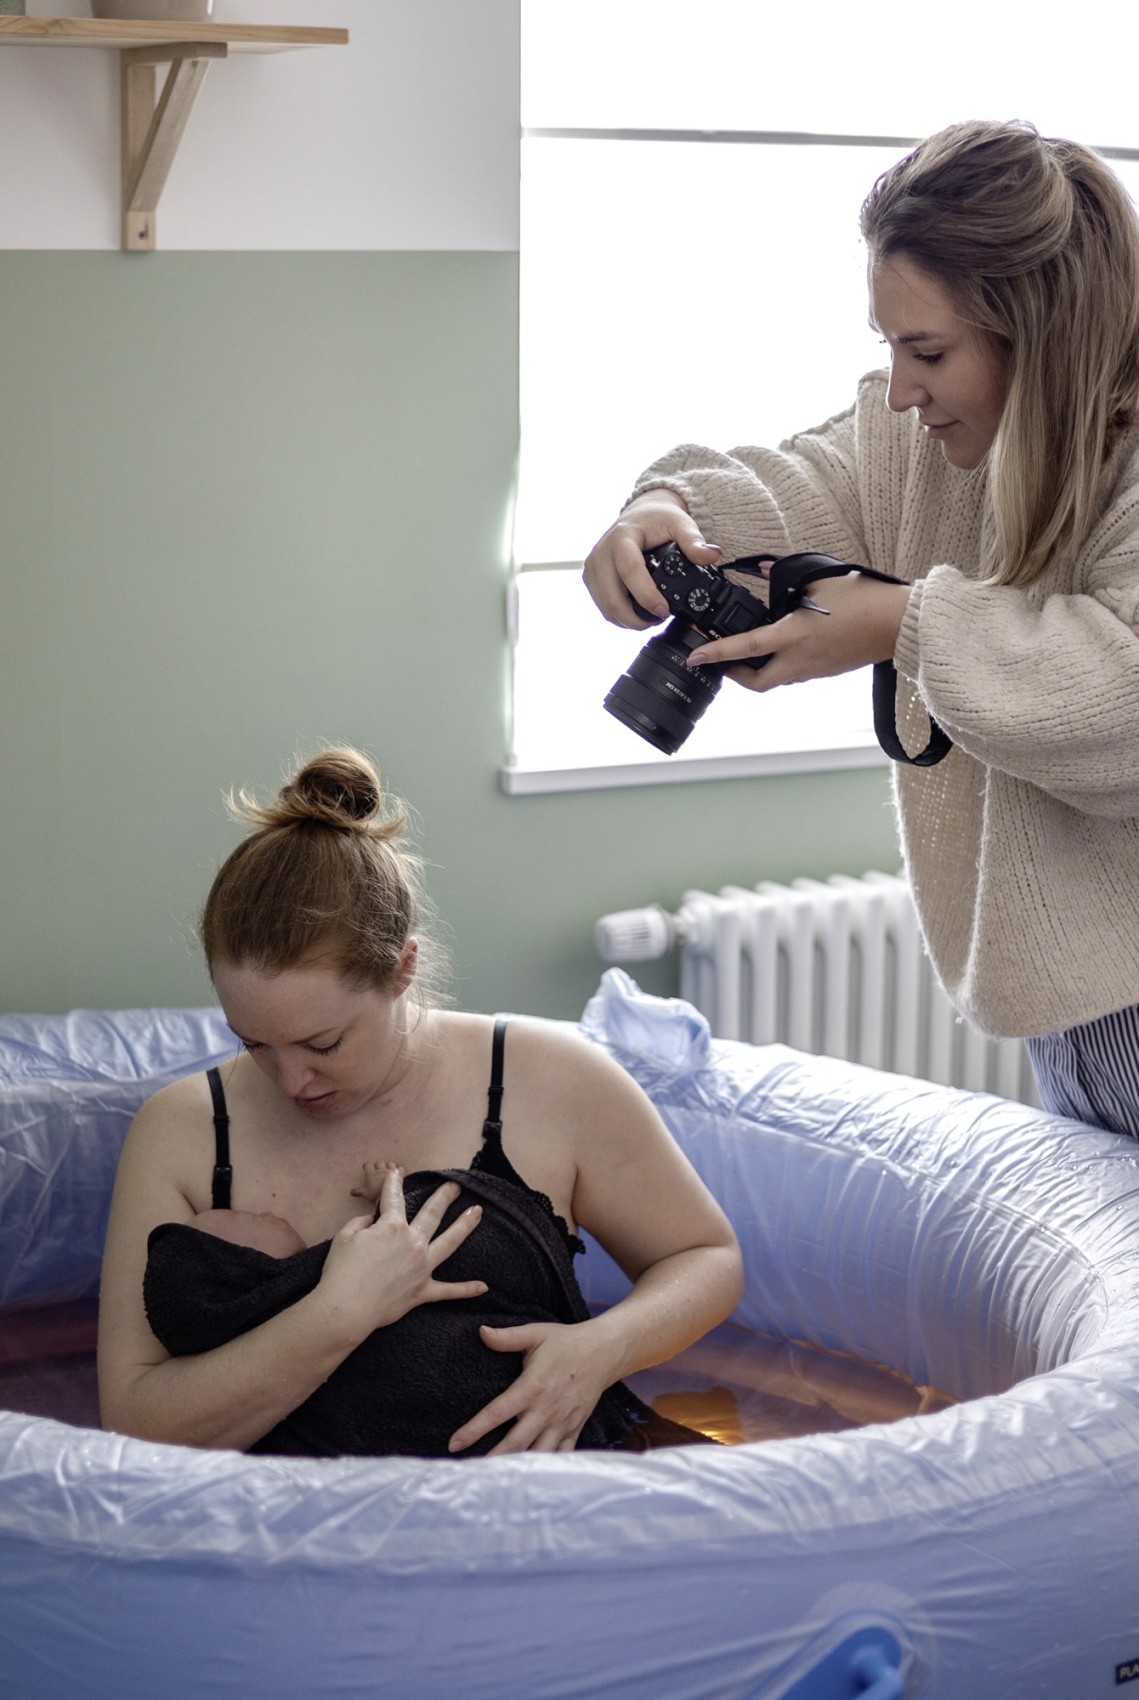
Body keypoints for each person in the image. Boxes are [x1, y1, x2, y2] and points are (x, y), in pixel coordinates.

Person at [583, 118, 1139, 1137]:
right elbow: (802, 482)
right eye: (888, 345)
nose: (900, 387)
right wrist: (658, 515)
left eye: (926, 349)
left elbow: (1122, 693)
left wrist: (902, 627)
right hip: (1069, 1005)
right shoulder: (923, 440)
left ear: (1043, 333)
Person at [97, 747, 744, 1457]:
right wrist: (337, 1315)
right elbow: (134, 1420)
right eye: (255, 1044)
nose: (290, 1082)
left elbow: (704, 1257)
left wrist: (600, 1348)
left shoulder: (551, 1082)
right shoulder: (185, 1132)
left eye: (324, 1043)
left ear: (402, 969)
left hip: (544, 1512)